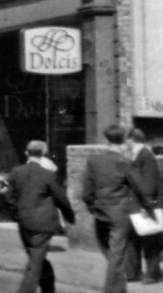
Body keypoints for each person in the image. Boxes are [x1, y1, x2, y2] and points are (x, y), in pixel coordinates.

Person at [82, 124, 154, 293]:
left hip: (100, 211)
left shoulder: (94, 160)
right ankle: (114, 290)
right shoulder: (125, 162)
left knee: (108, 250)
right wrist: (150, 209)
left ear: (106, 140)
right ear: (123, 142)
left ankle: (118, 287)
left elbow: (86, 192)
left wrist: (93, 206)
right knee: (117, 254)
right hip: (120, 215)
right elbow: (140, 188)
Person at [5, 140, 76, 293]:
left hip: (24, 223)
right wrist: (70, 217)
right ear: (44, 154)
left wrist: (17, 215)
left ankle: (48, 288)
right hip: (43, 224)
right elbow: (61, 198)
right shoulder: (48, 175)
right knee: (36, 262)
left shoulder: (16, 172)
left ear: (26, 153)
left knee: (36, 258)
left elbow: (9, 198)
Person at [126, 128, 161, 284]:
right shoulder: (134, 155)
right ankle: (134, 273)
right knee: (133, 239)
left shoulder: (146, 155)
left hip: (145, 205)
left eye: (126, 139)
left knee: (151, 240)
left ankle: (153, 274)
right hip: (135, 205)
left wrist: (146, 206)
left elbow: (149, 184)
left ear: (131, 139)